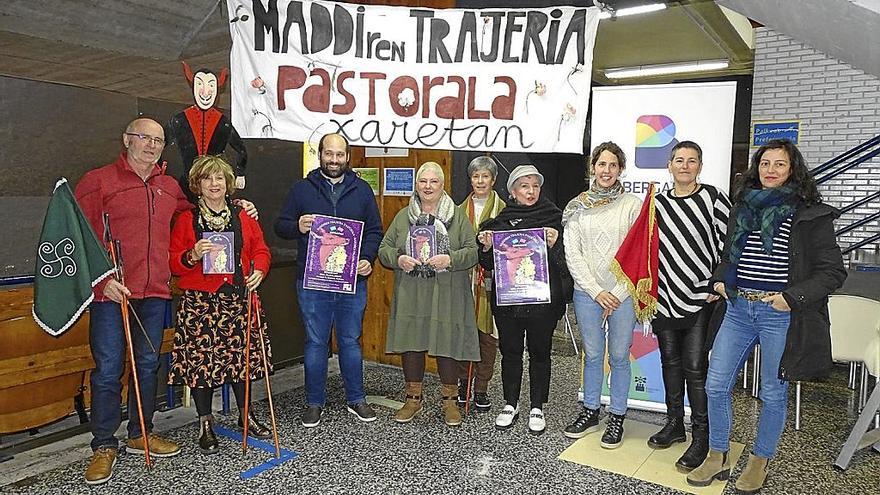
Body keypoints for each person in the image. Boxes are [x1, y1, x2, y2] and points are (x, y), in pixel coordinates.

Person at [687, 139, 846, 493]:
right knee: (715, 384)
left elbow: (833, 271)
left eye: (779, 164)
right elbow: (730, 255)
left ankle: (760, 460)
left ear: (793, 170)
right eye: (765, 163)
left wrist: (792, 298)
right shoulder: (743, 207)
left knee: (772, 392)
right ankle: (718, 454)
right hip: (739, 308)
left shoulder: (810, 214)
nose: (770, 170)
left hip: (780, 313)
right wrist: (720, 280)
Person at [73, 117, 191, 485]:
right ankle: (104, 444)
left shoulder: (169, 185)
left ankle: (141, 432)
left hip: (154, 292)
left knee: (147, 364)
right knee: (109, 369)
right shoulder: (98, 181)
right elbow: (77, 237)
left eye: (158, 140)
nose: (152, 145)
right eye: (144, 137)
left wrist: (239, 208)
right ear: (126, 140)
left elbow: (195, 215)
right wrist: (102, 280)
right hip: (112, 294)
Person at [274, 133, 383, 428]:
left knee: (350, 341)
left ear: (348, 157)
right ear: (319, 154)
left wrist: (367, 258)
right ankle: (313, 402)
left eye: (340, 155)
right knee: (315, 342)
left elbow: (374, 230)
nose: (334, 160)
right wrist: (297, 225)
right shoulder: (301, 189)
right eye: (329, 154)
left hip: (351, 281)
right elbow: (280, 226)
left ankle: (357, 399)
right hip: (312, 282)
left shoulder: (361, 191)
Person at [167, 156, 273, 454]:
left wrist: (259, 271)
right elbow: (173, 262)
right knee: (202, 366)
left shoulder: (244, 216)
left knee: (243, 362)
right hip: (200, 304)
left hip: (238, 299)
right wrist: (192, 255)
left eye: (219, 179)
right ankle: (205, 422)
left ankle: (245, 415)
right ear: (197, 185)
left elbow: (262, 250)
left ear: (228, 184)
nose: (214, 184)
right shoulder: (186, 220)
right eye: (207, 179)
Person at [648, 141, 731, 472]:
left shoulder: (714, 199)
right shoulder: (656, 203)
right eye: (679, 160)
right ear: (669, 165)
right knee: (670, 361)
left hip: (700, 297)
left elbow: (730, 245)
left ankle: (702, 436)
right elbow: (646, 248)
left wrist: (716, 283)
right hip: (664, 296)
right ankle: (674, 424)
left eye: (691, 160)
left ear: (700, 165)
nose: (685, 165)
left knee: (695, 368)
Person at [378, 161, 479, 427]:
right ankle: (413, 399)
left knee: (446, 343)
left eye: (434, 181)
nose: (428, 187)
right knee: (411, 342)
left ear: (443, 185)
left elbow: (473, 251)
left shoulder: (457, 217)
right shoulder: (404, 217)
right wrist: (398, 259)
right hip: (412, 291)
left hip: (446, 292)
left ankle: (450, 402)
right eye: (423, 181)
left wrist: (451, 259)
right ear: (416, 185)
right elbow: (384, 249)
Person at [477, 165, 571, 435]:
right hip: (509, 302)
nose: (531, 191)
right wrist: (485, 246)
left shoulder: (555, 218)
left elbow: (565, 264)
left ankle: (537, 406)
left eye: (535, 186)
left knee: (540, 353)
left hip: (543, 301)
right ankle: (510, 403)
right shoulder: (500, 221)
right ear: (513, 192)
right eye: (524, 186)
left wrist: (555, 246)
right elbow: (487, 263)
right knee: (511, 352)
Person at [562, 142, 641, 449]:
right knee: (593, 355)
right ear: (591, 168)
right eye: (601, 164)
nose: (606, 170)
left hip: (623, 294)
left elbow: (639, 255)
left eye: (612, 165)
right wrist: (596, 292)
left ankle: (618, 414)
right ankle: (591, 410)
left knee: (620, 356)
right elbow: (573, 253)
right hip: (587, 293)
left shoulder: (633, 205)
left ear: (620, 169)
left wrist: (616, 294)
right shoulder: (577, 207)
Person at [457, 156, 506, 412]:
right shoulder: (457, 210)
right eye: (476, 176)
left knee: (488, 335)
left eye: (485, 176)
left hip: (492, 281)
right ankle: (463, 383)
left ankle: (481, 388)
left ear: (493, 180)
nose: (480, 181)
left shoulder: (504, 210)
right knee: (465, 332)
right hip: (464, 280)